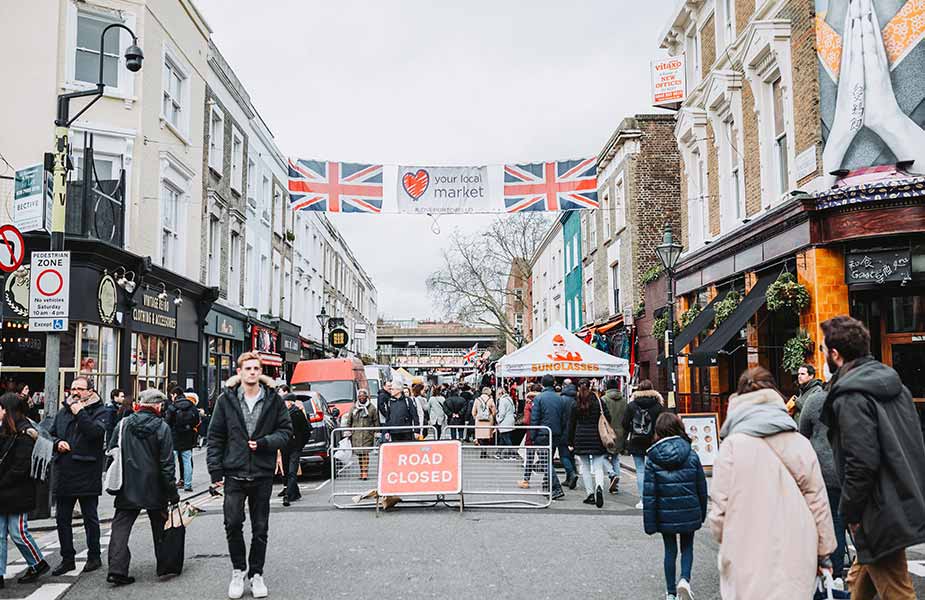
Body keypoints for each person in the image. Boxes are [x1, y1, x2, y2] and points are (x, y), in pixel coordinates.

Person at [820, 315, 925, 600]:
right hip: (898, 498)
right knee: (858, 582)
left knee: (897, 591)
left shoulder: (850, 396)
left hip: (876, 510)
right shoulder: (895, 385)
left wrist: (850, 511)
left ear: (835, 354)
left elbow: (861, 461)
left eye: (823, 349)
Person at [708, 367, 835, 600]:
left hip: (746, 549)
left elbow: (719, 513)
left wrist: (729, 537)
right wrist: (824, 552)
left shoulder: (732, 447)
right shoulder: (799, 443)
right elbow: (817, 500)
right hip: (797, 547)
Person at [207, 352, 293, 599]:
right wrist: (215, 471)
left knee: (260, 528)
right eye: (248, 368)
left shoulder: (274, 400)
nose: (253, 372)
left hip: (262, 474)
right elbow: (215, 437)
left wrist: (265, 443)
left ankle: (256, 574)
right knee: (232, 523)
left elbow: (286, 433)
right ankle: (238, 570)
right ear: (240, 371)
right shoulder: (226, 400)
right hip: (234, 473)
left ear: (261, 371)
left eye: (256, 368)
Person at [105, 388, 179, 586]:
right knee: (160, 525)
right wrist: (172, 492)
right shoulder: (162, 427)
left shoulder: (123, 424)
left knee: (121, 526)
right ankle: (165, 566)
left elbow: (112, 449)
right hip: (155, 486)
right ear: (157, 405)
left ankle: (116, 569)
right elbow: (167, 464)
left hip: (127, 484)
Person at [643, 412, 708, 600]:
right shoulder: (691, 453)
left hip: (665, 514)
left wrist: (650, 522)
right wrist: (701, 513)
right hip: (690, 509)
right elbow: (701, 487)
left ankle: (671, 593)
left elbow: (649, 494)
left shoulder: (653, 457)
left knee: (669, 550)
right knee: (687, 547)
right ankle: (685, 580)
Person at [50, 376, 109, 576]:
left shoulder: (100, 411)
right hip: (64, 473)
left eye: (80, 389)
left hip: (87, 472)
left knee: (90, 518)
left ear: (90, 391)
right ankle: (67, 559)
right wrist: (57, 443)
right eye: (73, 388)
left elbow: (95, 433)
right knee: (62, 519)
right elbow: (49, 433)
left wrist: (81, 412)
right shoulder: (62, 412)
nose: (75, 392)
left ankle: (94, 557)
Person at [798, 364, 847, 583]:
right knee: (854, 520)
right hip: (855, 469)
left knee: (832, 520)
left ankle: (835, 571)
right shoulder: (856, 400)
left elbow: (803, 433)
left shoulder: (815, 400)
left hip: (825, 470)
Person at [0, 393, 49, 588]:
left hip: (18, 491)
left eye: (2, 407)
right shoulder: (5, 430)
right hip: (5, 490)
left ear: (9, 410)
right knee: (0, 534)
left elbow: (20, 467)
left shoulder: (25, 433)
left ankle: (38, 563)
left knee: (18, 532)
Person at [622, 380, 665, 509]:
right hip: (654, 441)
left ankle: (643, 500)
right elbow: (663, 423)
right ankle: (654, 498)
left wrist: (632, 430)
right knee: (654, 470)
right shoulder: (658, 406)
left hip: (636, 440)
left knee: (640, 471)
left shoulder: (632, 405)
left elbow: (624, 423)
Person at [568, 382, 611, 508]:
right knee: (598, 467)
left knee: (585, 467)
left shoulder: (575, 403)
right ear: (590, 387)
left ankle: (590, 494)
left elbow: (571, 424)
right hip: (597, 437)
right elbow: (608, 417)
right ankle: (599, 487)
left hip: (581, 438)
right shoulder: (598, 401)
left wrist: (570, 441)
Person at [530, 375, 567, 500]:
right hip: (555, 434)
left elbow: (534, 419)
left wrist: (533, 436)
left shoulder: (539, 398)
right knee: (548, 461)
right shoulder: (560, 399)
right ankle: (546, 485)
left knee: (545, 462)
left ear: (542, 384)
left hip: (542, 434)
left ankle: (556, 488)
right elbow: (563, 419)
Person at [165, 386, 200, 492]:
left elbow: (167, 423)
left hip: (174, 437)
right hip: (188, 438)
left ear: (175, 395)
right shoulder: (192, 406)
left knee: (171, 462)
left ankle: (170, 484)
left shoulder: (172, 407)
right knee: (187, 461)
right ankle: (187, 484)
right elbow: (197, 421)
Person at [343, 389, 378, 480]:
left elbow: (376, 421)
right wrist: (348, 432)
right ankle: (361, 470)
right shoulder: (354, 408)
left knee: (365, 453)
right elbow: (349, 421)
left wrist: (376, 432)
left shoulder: (372, 408)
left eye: (363, 396)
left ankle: (365, 472)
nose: (362, 398)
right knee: (359, 454)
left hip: (367, 435)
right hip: (356, 435)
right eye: (360, 396)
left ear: (367, 397)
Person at [281, 394, 308, 506]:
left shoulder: (297, 413)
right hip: (284, 446)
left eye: (285, 402)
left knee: (292, 471)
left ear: (290, 402)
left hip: (295, 446)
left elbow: (306, 431)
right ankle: (296, 493)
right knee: (287, 471)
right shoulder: (280, 414)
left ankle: (288, 495)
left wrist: (300, 445)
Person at [601, 379, 627, 494]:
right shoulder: (624, 401)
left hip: (607, 432)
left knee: (602, 456)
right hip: (621, 433)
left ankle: (612, 473)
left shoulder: (603, 400)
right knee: (616, 458)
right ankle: (615, 486)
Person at [518, 386, 543, 488]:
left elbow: (527, 420)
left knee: (530, 458)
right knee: (544, 457)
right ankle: (548, 480)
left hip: (531, 432)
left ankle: (526, 480)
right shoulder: (543, 401)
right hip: (543, 431)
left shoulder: (529, 403)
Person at [558, 383, 579, 489]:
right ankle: (569, 478)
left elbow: (560, 417)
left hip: (563, 431)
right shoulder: (577, 400)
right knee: (571, 456)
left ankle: (571, 474)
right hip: (575, 433)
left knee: (563, 456)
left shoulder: (561, 400)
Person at [472, 387, 496, 457]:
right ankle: (484, 452)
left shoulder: (477, 400)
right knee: (486, 436)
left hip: (479, 420)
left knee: (480, 436)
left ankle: (482, 451)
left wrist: (476, 416)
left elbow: (473, 412)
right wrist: (491, 416)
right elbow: (494, 412)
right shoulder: (490, 400)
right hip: (488, 420)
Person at [495, 391, 516, 459]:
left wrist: (498, 419)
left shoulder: (502, 400)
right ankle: (498, 453)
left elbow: (502, 413)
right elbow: (513, 409)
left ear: (500, 394)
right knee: (503, 437)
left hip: (505, 422)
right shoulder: (509, 399)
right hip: (510, 420)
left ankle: (512, 454)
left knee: (506, 438)